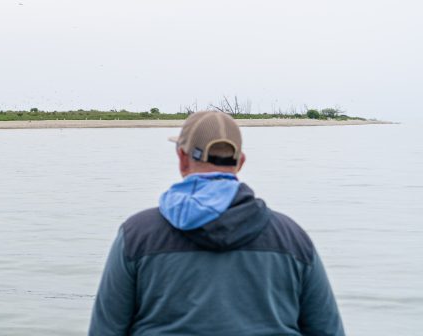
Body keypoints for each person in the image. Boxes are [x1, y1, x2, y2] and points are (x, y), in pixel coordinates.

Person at [88, 110, 344, 336]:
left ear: (182, 158)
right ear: (240, 162)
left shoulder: (137, 235)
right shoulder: (292, 238)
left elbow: (105, 329)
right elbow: (328, 329)